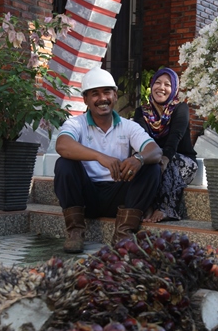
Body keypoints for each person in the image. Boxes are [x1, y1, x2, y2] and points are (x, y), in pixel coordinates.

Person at [54, 67, 162, 253]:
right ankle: (75, 232)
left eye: (107, 92)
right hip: (87, 197)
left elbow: (156, 151)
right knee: (64, 164)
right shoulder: (76, 123)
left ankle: (123, 234)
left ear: (115, 95)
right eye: (95, 94)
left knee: (151, 168)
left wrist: (139, 158)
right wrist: (99, 156)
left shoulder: (129, 126)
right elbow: (62, 145)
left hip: (119, 197)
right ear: (85, 99)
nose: (102, 98)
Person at [133, 68, 197, 223]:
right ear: (152, 85)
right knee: (137, 159)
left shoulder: (180, 108)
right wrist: (152, 158)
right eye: (158, 83)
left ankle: (166, 208)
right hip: (155, 160)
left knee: (169, 160)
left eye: (167, 84)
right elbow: (142, 139)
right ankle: (145, 206)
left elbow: (176, 136)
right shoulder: (141, 112)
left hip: (182, 163)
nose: (161, 87)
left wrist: (164, 158)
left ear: (174, 88)